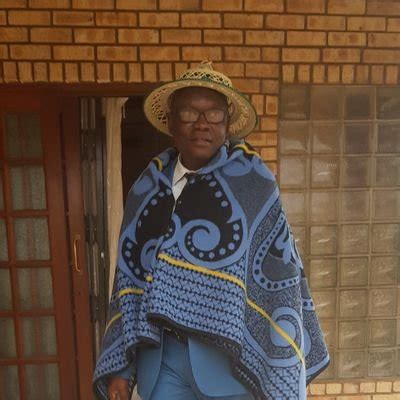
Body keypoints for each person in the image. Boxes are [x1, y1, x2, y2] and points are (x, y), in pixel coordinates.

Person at [93, 61, 329, 400]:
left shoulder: (254, 187)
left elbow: (278, 277)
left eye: (214, 114)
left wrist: (282, 365)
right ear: (171, 121)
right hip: (161, 364)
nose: (202, 124)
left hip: (228, 366)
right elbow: (129, 281)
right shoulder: (145, 189)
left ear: (227, 123)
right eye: (189, 113)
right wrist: (121, 368)